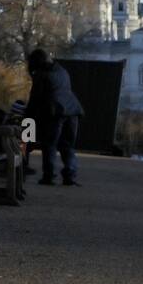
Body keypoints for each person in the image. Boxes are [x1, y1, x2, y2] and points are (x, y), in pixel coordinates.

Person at [25, 48, 84, 186]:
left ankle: (49, 176)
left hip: (55, 112)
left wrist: (28, 117)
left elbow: (35, 99)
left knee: (50, 144)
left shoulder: (41, 75)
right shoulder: (62, 71)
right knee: (68, 146)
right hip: (73, 109)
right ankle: (70, 175)